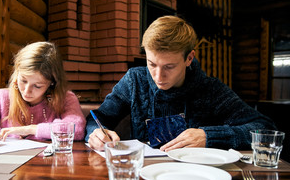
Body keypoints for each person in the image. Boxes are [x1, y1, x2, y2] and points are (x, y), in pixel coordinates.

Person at [85, 15, 276, 151]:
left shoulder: (210, 89)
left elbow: (266, 129)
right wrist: (95, 133)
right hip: (144, 179)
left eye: (169, 66)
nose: (158, 76)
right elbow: (98, 118)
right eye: (152, 64)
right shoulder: (135, 80)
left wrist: (209, 136)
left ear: (189, 58)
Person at [0, 41, 86, 146]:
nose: (26, 91)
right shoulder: (2, 98)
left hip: (51, 168)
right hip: (11, 168)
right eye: (23, 80)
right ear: (17, 74)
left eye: (37, 86)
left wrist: (30, 129)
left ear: (52, 83)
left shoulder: (66, 98)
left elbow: (77, 129)